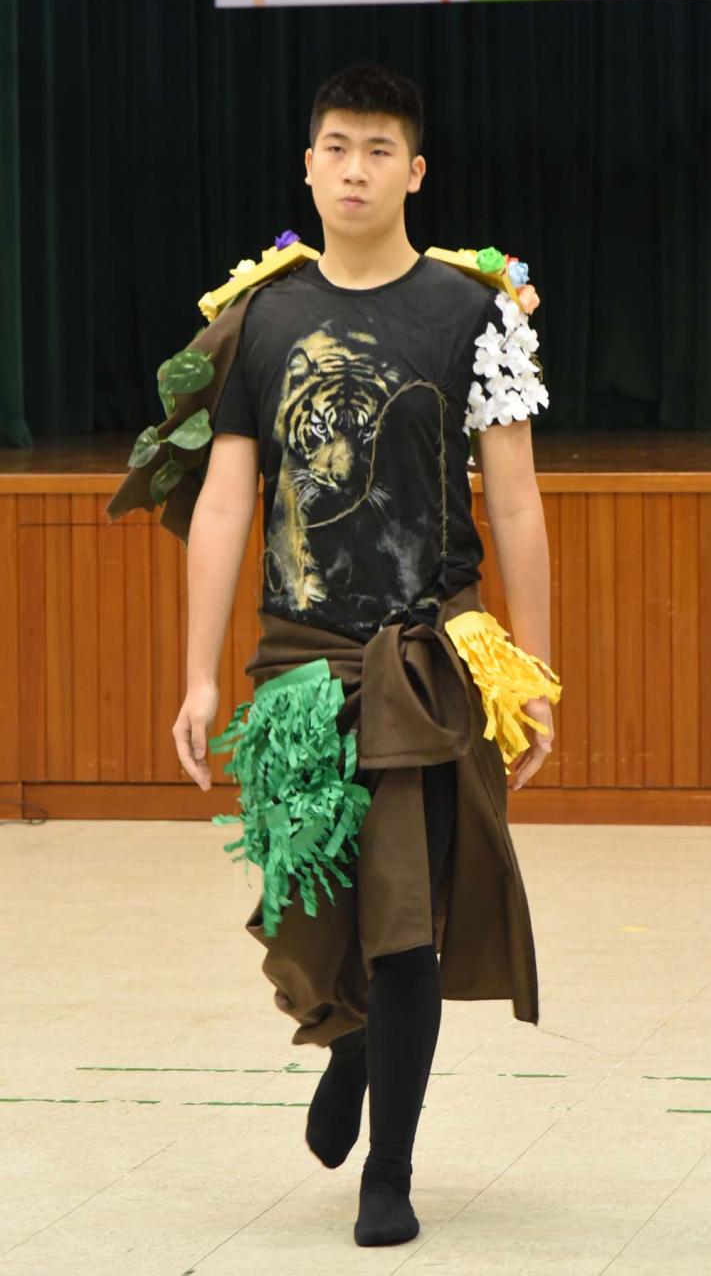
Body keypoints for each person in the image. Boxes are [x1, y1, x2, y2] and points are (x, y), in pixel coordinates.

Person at [142, 61, 557, 1249]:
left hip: (427, 658)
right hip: (297, 664)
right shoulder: (259, 319)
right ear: (308, 166)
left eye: (379, 150)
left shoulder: (472, 313)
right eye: (337, 147)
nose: (356, 169)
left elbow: (514, 503)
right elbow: (226, 503)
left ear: (413, 171)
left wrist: (531, 676)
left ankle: (391, 1167)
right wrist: (198, 673)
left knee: (405, 917)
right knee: (317, 909)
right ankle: (354, 1043)